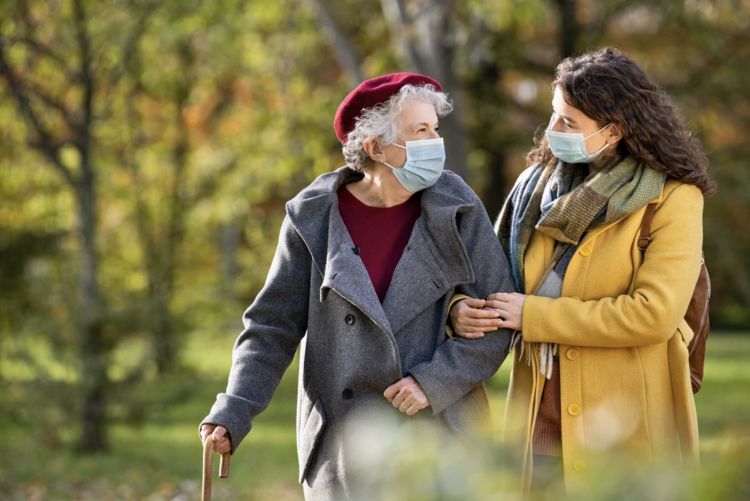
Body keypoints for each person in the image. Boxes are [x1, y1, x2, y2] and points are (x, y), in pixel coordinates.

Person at [199, 73, 515, 500]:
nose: (434, 142)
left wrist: (433, 381)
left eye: (434, 129)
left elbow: (499, 314)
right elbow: (272, 328)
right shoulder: (312, 217)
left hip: (444, 438)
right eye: (419, 131)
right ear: (375, 147)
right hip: (344, 446)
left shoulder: (457, 205)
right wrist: (233, 410)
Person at [450, 48, 715, 494]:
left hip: (627, 424)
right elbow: (485, 277)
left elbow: (653, 314)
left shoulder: (674, 198)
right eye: (554, 116)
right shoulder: (535, 191)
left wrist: (533, 316)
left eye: (568, 123)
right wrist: (461, 309)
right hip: (537, 420)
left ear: (612, 131)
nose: (552, 132)